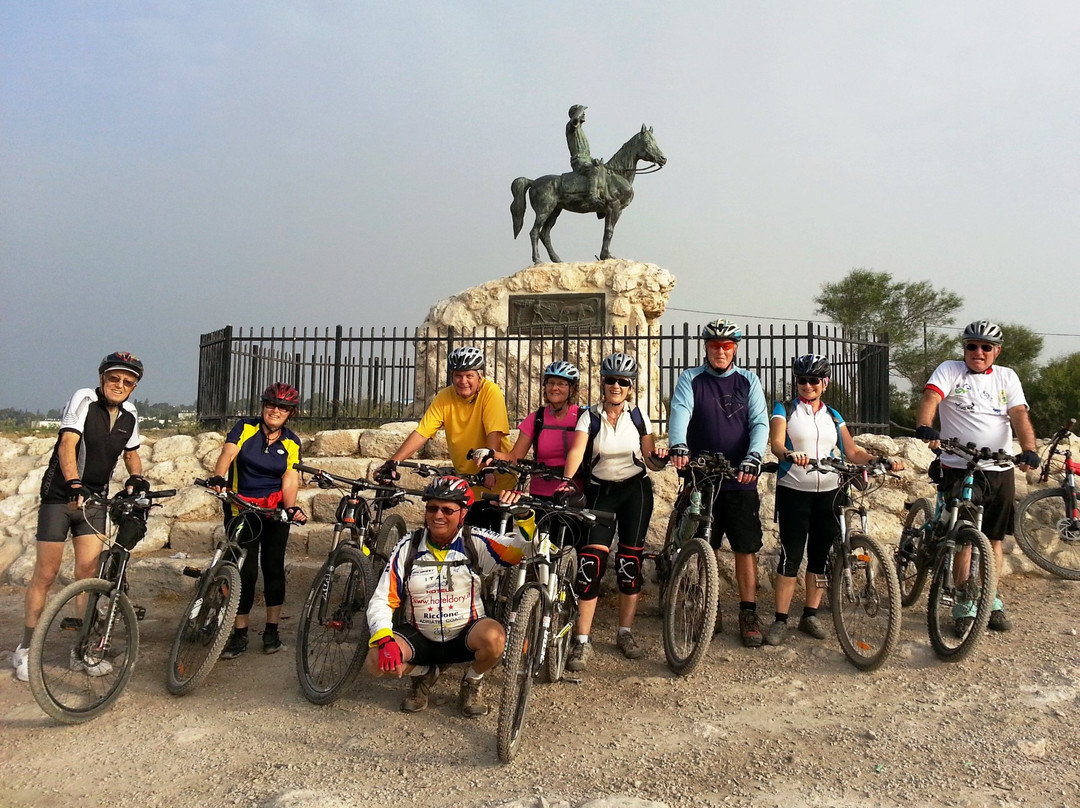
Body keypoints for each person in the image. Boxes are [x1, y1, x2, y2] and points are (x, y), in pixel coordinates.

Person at [14, 352, 148, 683]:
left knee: (87, 575)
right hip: (61, 498)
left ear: (134, 387)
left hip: (95, 501)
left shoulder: (130, 415)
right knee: (45, 574)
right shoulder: (85, 399)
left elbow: (131, 453)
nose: (120, 385)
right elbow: (67, 444)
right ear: (102, 378)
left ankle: (82, 649)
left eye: (127, 381)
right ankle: (26, 649)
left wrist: (137, 478)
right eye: (114, 378)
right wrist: (74, 482)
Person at [764, 355, 904, 646]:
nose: (807, 385)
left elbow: (851, 451)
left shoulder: (833, 415)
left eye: (814, 380)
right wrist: (789, 454)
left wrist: (880, 460)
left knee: (818, 556)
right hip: (794, 490)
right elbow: (776, 442)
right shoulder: (785, 409)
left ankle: (810, 614)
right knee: (791, 556)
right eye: (801, 380)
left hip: (830, 491)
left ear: (824, 383)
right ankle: (780, 619)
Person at [365, 477, 533, 717]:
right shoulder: (408, 546)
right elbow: (382, 598)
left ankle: (472, 680)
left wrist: (524, 518)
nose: (438, 516)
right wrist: (384, 639)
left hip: (467, 632)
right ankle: (424, 674)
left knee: (496, 639)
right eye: (432, 508)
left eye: (447, 510)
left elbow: (521, 551)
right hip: (420, 636)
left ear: (463, 513)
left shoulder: (475, 541)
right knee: (374, 661)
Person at [914, 320, 1039, 634]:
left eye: (986, 347)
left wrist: (1029, 448)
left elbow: (1019, 415)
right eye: (972, 346)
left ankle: (989, 598)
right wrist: (926, 426)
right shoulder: (950, 370)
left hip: (999, 469)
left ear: (996, 351)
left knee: (994, 540)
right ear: (965, 348)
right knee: (963, 538)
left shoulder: (1007, 376)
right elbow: (931, 397)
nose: (978, 352)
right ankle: (964, 601)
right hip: (960, 466)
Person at [557, 352, 668, 670]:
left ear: (630, 387)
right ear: (602, 384)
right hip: (600, 492)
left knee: (629, 561)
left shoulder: (638, 417)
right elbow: (577, 450)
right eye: (610, 380)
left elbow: (650, 461)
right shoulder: (588, 417)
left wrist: (659, 456)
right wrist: (566, 481)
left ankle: (625, 632)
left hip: (636, 492)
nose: (616, 386)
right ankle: (581, 640)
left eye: (623, 381)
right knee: (590, 563)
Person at [667, 318, 770, 647]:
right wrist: (678, 443)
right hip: (702, 475)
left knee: (745, 548)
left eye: (727, 346)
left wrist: (754, 455)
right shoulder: (691, 378)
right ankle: (704, 606)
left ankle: (748, 612)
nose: (721, 351)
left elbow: (759, 422)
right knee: (700, 545)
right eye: (714, 346)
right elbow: (681, 410)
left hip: (740, 476)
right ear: (706, 348)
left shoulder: (748, 380)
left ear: (735, 348)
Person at [208, 382, 308, 658]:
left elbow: (289, 477)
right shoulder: (245, 427)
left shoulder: (291, 441)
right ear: (263, 406)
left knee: (273, 567)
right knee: (246, 571)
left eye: (283, 407)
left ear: (291, 413)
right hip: (241, 507)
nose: (275, 410)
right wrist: (219, 477)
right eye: (271, 405)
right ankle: (239, 633)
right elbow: (228, 453)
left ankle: (272, 630)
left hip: (273, 511)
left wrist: (290, 508)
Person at [373, 346, 514, 530]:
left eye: (469, 376)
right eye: (458, 376)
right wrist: (393, 461)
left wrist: (488, 469)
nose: (463, 381)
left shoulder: (490, 391)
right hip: (467, 484)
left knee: (495, 549)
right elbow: (422, 432)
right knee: (462, 546)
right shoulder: (444, 396)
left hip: (494, 481)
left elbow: (494, 432)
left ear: (479, 375)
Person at [475, 360, 585, 500]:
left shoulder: (582, 417)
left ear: (572, 389)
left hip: (572, 491)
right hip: (540, 492)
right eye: (550, 383)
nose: (554, 388)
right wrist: (490, 453)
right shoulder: (536, 419)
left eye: (561, 384)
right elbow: (514, 457)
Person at [566, 104, 605, 208]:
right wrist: (580, 109)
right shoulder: (571, 127)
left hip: (586, 160)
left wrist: (594, 161)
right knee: (594, 171)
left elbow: (586, 154)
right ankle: (592, 197)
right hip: (579, 162)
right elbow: (575, 120)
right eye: (582, 113)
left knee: (602, 171)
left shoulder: (581, 131)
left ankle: (601, 209)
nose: (584, 114)